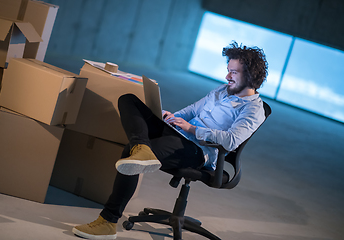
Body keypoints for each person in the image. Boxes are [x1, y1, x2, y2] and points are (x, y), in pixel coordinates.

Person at [72, 41, 268, 239]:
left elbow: (231, 141)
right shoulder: (222, 90)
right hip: (179, 134)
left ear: (250, 76)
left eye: (233, 72)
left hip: (198, 150)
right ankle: (142, 148)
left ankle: (107, 222)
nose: (227, 77)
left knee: (130, 154)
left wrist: (192, 128)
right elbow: (192, 110)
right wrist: (171, 117)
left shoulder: (253, 109)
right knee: (128, 99)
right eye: (228, 70)